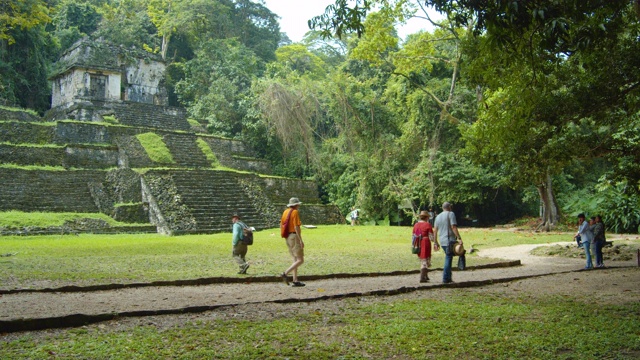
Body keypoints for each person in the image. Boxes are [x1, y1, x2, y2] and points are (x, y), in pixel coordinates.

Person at [433, 202, 463, 283]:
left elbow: (435, 230)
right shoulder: (451, 214)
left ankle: (448, 277)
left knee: (449, 256)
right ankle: (445, 278)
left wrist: (435, 242)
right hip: (449, 240)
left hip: (442, 241)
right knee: (448, 258)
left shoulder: (438, 217)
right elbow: (453, 227)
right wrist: (459, 238)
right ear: (449, 207)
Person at [280, 197, 305, 287]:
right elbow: (296, 227)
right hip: (294, 236)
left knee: (294, 258)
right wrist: (300, 240)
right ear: (296, 205)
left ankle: (295, 280)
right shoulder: (295, 212)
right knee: (300, 259)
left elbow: (281, 225)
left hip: (287, 237)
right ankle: (285, 273)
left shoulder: (285, 212)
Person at [413, 210, 436, 282]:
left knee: (422, 259)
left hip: (418, 243)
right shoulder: (427, 225)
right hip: (425, 242)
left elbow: (415, 235)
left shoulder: (416, 225)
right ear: (426, 218)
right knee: (425, 259)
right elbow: (431, 237)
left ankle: (425, 275)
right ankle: (422, 277)